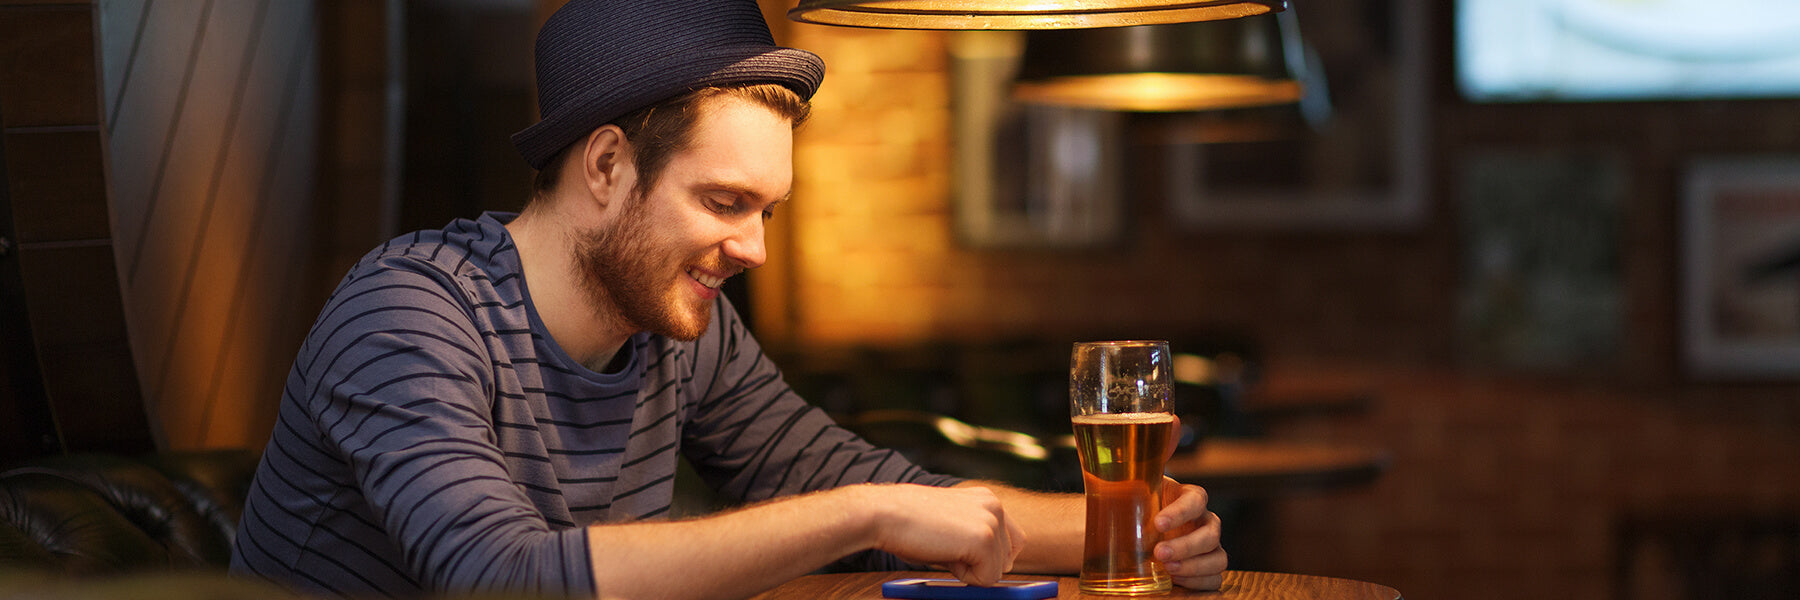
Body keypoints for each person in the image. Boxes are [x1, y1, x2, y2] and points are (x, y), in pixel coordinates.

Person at [229, 1, 1226, 598]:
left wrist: (1134, 522)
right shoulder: (406, 314)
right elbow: (503, 580)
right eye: (723, 202)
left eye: (769, 211)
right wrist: (863, 509)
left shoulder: (677, 328)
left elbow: (864, 488)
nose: (750, 247)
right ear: (608, 166)